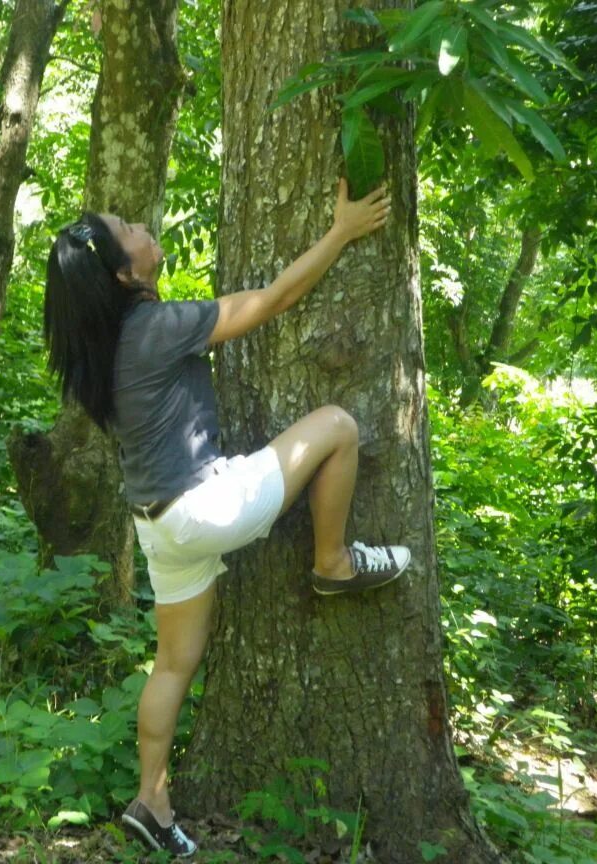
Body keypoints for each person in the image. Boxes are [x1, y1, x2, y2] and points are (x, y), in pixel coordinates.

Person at [42, 178, 411, 857]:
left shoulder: (103, 353)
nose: (138, 222)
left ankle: (152, 801)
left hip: (158, 524)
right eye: (125, 226)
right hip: (206, 507)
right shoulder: (151, 328)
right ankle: (333, 563)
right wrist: (342, 230)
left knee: (174, 664)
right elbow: (274, 300)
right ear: (121, 274)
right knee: (337, 423)